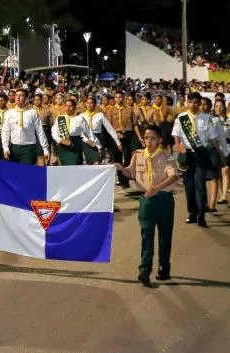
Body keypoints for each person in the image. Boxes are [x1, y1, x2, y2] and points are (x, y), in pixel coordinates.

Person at [115, 125, 179, 286]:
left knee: (165, 236)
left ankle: (164, 268)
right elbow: (131, 173)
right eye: (146, 138)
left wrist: (156, 188)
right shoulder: (138, 155)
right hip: (146, 201)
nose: (148, 141)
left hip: (164, 200)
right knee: (147, 235)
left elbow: (173, 176)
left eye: (152, 138)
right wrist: (121, 169)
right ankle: (144, 270)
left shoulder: (167, 157)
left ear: (160, 140)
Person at [172, 92, 214, 228]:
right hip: (187, 154)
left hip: (201, 154)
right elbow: (176, 135)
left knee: (200, 186)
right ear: (187, 103)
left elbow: (212, 137)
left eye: (196, 102)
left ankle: (202, 215)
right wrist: (179, 146)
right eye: (191, 102)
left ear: (200, 103)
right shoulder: (181, 117)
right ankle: (192, 213)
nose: (193, 105)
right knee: (189, 187)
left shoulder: (207, 118)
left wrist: (220, 152)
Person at [2, 89, 50, 165]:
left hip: (29, 148)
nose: (18, 97)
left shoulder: (32, 112)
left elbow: (40, 131)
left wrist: (45, 149)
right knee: (14, 173)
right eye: (16, 95)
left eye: (21, 95)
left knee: (25, 173)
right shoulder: (9, 113)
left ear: (26, 98)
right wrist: (5, 147)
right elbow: (5, 131)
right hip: (14, 148)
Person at [51, 97, 99, 166]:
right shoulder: (60, 118)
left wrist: (97, 144)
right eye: (66, 105)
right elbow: (54, 132)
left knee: (73, 166)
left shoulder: (79, 119)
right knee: (63, 168)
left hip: (75, 145)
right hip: (62, 145)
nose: (68, 107)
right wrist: (60, 140)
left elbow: (88, 133)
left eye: (70, 106)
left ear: (75, 108)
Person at [81, 97, 121, 165]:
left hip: (98, 139)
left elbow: (110, 128)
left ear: (95, 104)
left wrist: (117, 141)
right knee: (89, 163)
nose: (89, 105)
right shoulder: (81, 116)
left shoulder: (100, 115)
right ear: (85, 104)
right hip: (87, 140)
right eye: (88, 103)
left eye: (92, 103)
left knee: (97, 162)